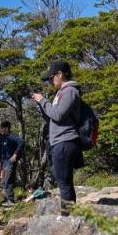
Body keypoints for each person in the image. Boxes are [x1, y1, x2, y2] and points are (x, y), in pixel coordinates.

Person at [31, 61, 82, 204]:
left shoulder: (70, 91)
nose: (49, 81)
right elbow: (52, 118)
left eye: (51, 78)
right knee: (62, 180)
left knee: (64, 183)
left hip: (65, 140)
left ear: (60, 74)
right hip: (59, 140)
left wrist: (43, 100)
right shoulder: (60, 93)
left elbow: (58, 115)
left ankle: (67, 218)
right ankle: (69, 215)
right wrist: (41, 105)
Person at [0, 121, 24, 206]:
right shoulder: (2, 138)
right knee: (5, 181)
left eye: (2, 128)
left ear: (7, 128)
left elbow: (21, 142)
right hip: (4, 163)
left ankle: (10, 200)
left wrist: (15, 154)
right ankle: (7, 199)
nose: (1, 130)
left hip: (10, 162)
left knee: (8, 180)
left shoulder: (11, 136)